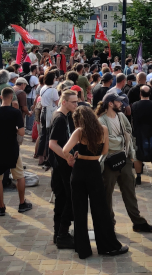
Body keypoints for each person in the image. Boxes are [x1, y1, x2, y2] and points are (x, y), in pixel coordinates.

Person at [62, 106, 129, 259]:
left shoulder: (79, 132)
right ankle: (107, 246)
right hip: (94, 170)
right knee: (100, 209)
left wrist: (71, 157)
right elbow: (105, 152)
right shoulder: (103, 129)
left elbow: (66, 149)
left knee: (79, 210)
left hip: (79, 171)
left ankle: (83, 249)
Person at [95, 94, 152, 231]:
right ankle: (109, 224)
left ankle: (138, 222)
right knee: (107, 195)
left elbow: (129, 132)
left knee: (130, 192)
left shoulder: (121, 116)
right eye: (118, 102)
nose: (122, 104)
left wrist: (130, 152)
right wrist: (121, 140)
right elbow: (107, 141)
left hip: (125, 159)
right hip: (109, 161)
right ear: (110, 104)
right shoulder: (101, 120)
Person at [0, 87, 32, 216]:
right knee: (19, 175)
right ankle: (22, 203)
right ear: (12, 97)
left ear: (1, 97)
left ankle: (1, 206)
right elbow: (22, 132)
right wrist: (15, 130)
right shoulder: (15, 112)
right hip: (12, 147)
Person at [48, 90, 78, 249]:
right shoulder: (60, 118)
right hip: (62, 165)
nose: (76, 104)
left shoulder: (63, 116)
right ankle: (62, 234)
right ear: (64, 102)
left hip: (60, 165)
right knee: (69, 199)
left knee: (62, 199)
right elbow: (52, 144)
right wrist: (67, 157)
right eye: (73, 102)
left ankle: (58, 233)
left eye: (77, 101)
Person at [131, 86, 152, 185]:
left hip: (138, 133)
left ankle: (138, 177)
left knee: (137, 156)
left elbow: (132, 116)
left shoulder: (135, 105)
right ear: (150, 94)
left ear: (140, 94)